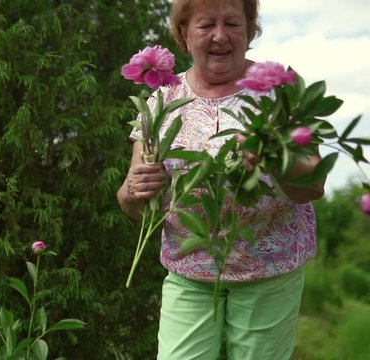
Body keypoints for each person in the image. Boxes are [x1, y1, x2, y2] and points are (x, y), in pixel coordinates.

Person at [116, 0, 325, 359]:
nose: (220, 36)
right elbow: (134, 205)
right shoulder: (162, 100)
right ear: (184, 33)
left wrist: (273, 160)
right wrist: (134, 191)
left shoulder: (277, 92)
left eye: (232, 23)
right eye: (206, 25)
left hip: (268, 268)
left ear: (249, 30)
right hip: (190, 272)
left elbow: (314, 185)